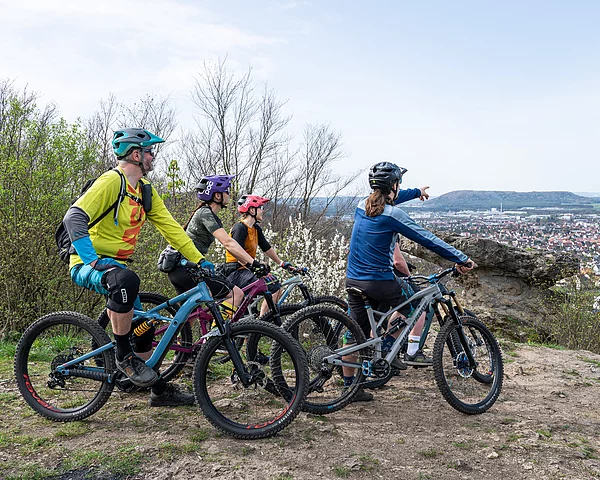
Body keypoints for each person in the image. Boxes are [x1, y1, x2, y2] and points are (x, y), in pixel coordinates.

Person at [64, 128, 211, 407]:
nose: (153, 156)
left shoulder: (145, 191)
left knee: (145, 326)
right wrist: (93, 260)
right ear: (135, 155)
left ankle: (154, 388)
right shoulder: (112, 181)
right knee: (126, 280)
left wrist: (200, 260)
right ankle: (124, 357)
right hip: (86, 262)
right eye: (149, 151)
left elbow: (172, 230)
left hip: (116, 266)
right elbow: (74, 218)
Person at [344, 162, 476, 401]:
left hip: (353, 279)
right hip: (379, 281)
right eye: (398, 184)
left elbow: (388, 197)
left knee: (354, 334)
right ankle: (387, 347)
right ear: (393, 186)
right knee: (417, 307)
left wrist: (416, 192)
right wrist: (461, 258)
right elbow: (427, 239)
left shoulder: (361, 206)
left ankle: (349, 389)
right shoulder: (393, 215)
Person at [167, 175, 268, 315]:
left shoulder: (207, 213)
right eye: (227, 191)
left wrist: (250, 264)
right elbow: (228, 243)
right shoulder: (205, 214)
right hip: (187, 268)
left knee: (190, 315)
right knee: (236, 294)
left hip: (180, 268)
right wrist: (254, 263)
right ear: (217, 195)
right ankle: (217, 330)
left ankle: (182, 331)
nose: (229, 194)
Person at [224, 195, 304, 317]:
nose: (262, 211)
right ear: (252, 210)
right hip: (235, 272)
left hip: (246, 271)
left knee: (275, 285)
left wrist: (281, 263)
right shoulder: (240, 228)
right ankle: (263, 321)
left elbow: (267, 248)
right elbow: (237, 254)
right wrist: (255, 268)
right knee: (274, 286)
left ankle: (259, 322)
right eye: (260, 208)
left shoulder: (255, 229)